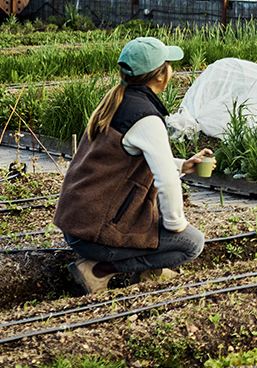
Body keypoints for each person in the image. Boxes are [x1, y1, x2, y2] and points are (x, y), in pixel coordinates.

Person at [54, 36, 212, 294]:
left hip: (79, 225)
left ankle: (151, 270)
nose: (172, 69)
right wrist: (175, 224)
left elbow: (128, 160)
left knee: (156, 218)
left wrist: (183, 165)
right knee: (190, 243)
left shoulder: (118, 101)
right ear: (160, 76)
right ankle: (97, 270)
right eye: (169, 64)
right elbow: (166, 183)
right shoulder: (145, 117)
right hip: (95, 236)